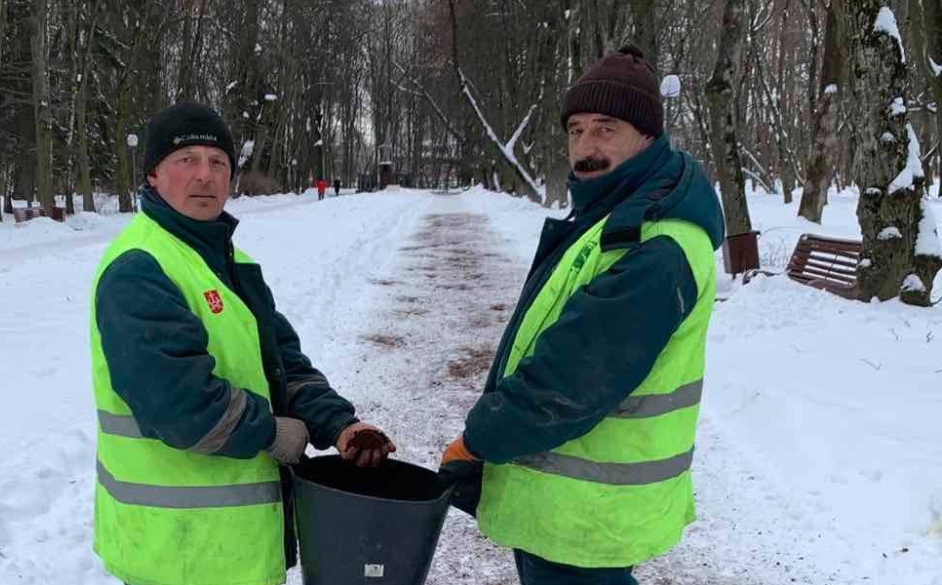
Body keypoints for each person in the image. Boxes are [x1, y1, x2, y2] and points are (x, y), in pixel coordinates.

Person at [440, 45, 725, 585]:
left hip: (588, 514)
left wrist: (478, 440)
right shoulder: (611, 219)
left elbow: (570, 379)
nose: (585, 147)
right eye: (575, 130)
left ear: (647, 135)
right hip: (566, 506)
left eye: (605, 128)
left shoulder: (658, 243)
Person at [90, 102, 396, 585]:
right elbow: (178, 403)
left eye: (218, 163)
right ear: (153, 174)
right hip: (176, 554)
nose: (205, 176)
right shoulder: (139, 268)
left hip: (239, 549)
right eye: (186, 160)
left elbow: (283, 365)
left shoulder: (234, 264)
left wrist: (340, 425)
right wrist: (274, 433)